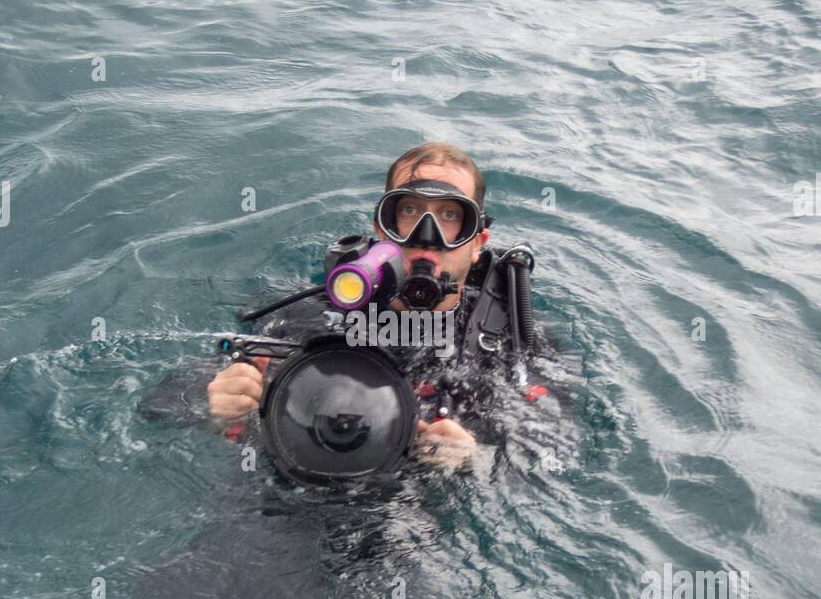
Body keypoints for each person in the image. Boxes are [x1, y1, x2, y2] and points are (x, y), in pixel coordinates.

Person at [144, 141, 557, 472]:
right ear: (381, 229)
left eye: (450, 216)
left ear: (476, 244)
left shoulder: (509, 338)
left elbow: (556, 453)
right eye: (409, 211)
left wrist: (478, 460)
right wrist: (215, 408)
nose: (425, 235)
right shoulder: (309, 315)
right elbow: (159, 404)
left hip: (411, 521)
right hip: (283, 503)